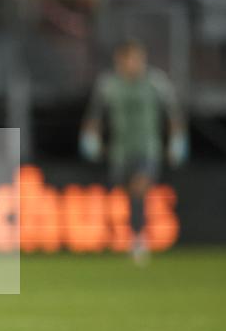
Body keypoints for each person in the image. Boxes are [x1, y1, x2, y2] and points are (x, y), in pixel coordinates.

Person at [80, 39, 188, 264]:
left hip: (148, 148)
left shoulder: (156, 83)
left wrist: (177, 139)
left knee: (140, 187)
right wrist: (90, 137)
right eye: (128, 60)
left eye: (136, 59)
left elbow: (173, 114)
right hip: (120, 151)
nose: (133, 64)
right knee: (129, 194)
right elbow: (95, 116)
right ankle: (133, 234)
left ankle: (139, 240)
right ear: (119, 61)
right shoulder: (108, 85)